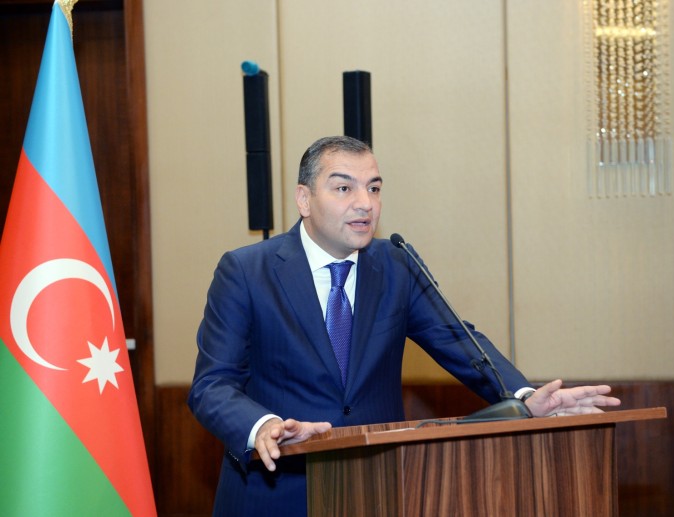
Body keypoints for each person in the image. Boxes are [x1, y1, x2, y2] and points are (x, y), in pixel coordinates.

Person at [188, 135, 621, 516]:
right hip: (274, 491)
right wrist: (261, 425)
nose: (365, 203)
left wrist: (524, 398)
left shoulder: (396, 265)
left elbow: (459, 340)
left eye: (374, 188)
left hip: (380, 488)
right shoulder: (246, 272)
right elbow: (212, 385)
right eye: (344, 188)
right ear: (304, 199)